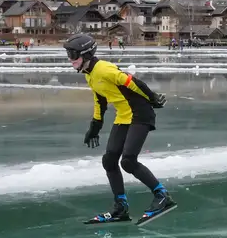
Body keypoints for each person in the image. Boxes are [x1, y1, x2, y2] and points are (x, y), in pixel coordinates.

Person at [64, 33, 175, 224]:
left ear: (86, 54)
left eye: (73, 55)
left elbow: (133, 82)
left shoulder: (104, 69)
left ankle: (162, 196)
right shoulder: (90, 74)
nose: (70, 59)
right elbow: (100, 100)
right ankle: (120, 208)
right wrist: (95, 126)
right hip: (124, 115)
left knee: (128, 161)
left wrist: (152, 98)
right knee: (109, 160)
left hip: (140, 114)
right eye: (68, 54)